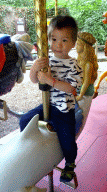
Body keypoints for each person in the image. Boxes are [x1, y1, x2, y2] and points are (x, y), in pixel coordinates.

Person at [19, 15, 82, 183]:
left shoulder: (74, 66)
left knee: (67, 140)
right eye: (54, 39)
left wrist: (50, 81)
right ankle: (31, 148)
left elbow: (72, 89)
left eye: (64, 40)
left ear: (73, 43)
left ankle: (70, 163)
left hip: (63, 109)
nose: (58, 45)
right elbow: (34, 80)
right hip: (47, 104)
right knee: (24, 120)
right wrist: (34, 69)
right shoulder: (47, 61)